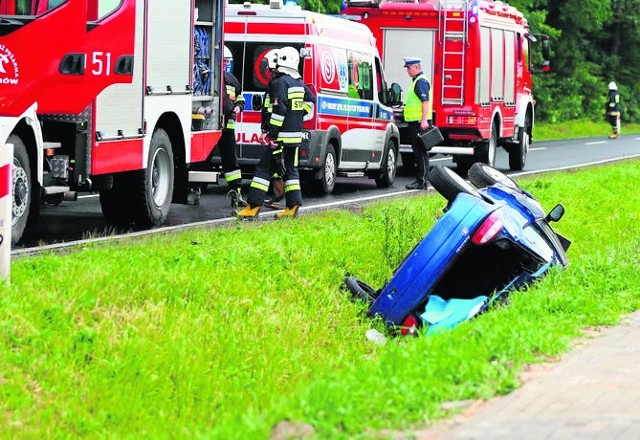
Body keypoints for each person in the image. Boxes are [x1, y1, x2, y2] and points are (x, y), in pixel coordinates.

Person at [235, 46, 315, 220]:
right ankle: (292, 208)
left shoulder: (280, 83)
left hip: (280, 138)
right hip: (293, 136)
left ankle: (252, 207)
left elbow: (279, 111)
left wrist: (271, 135)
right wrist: (299, 114)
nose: (272, 67)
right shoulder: (298, 82)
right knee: (290, 171)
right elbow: (310, 101)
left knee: (264, 169)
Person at [220, 45, 247, 207]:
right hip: (209, 128)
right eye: (223, 60)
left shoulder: (232, 79)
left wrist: (238, 106)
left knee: (231, 162)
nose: (225, 63)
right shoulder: (207, 77)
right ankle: (194, 191)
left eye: (227, 61)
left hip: (227, 128)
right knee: (202, 162)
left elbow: (240, 98)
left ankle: (236, 194)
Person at [402, 56, 432, 190]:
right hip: (416, 122)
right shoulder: (416, 81)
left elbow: (425, 102)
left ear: (416, 67)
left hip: (419, 123)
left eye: (409, 68)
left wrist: (424, 120)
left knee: (420, 152)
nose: (407, 71)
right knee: (419, 152)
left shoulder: (420, 82)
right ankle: (422, 180)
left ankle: (422, 181)